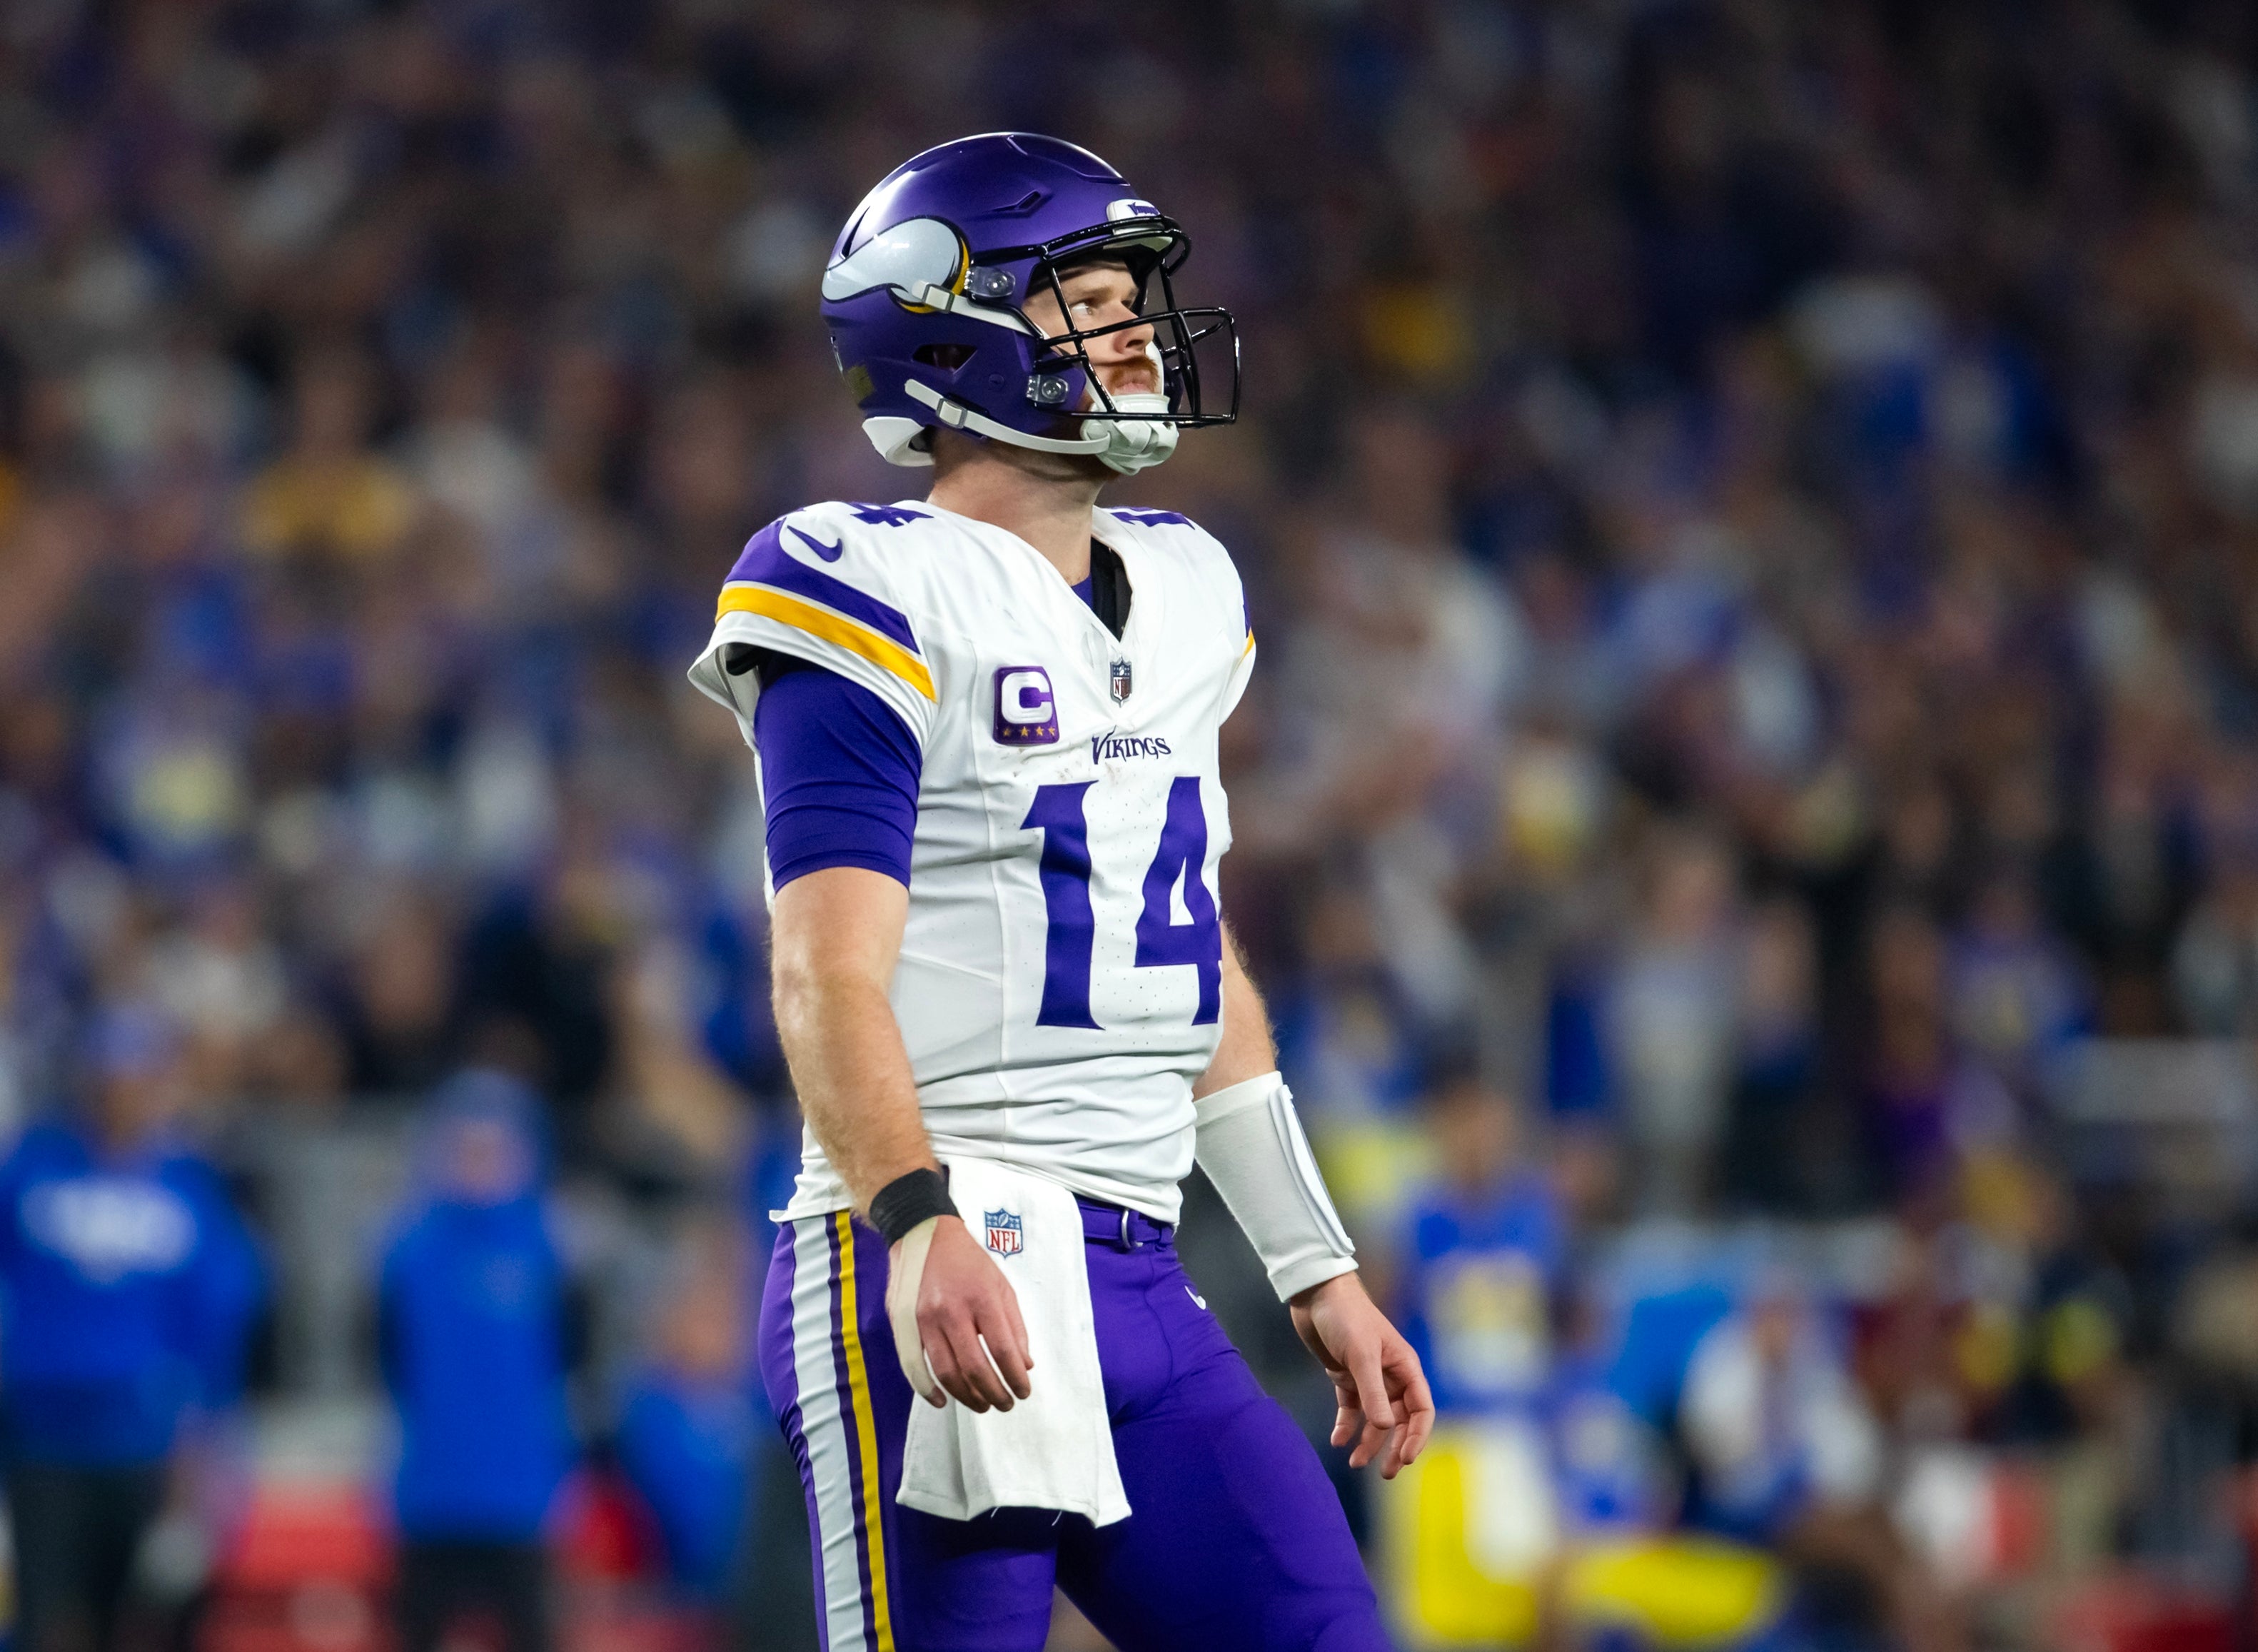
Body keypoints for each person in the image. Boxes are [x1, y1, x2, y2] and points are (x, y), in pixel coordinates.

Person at [687, 133, 1433, 1652]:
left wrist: (1315, 1262)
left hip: (1143, 1270)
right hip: (943, 1253)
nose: (1133, 335)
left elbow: (1189, 961)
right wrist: (915, 1222)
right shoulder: (864, 576)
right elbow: (823, 970)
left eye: (1131, 300)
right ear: (948, 328)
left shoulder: (1188, 588)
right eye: (1086, 301)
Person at [0, 1003, 266, 1652]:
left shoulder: (188, 1185)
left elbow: (215, 1326)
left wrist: (205, 1460)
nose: (122, 1093)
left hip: (146, 1447)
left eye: (136, 1077)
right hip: (42, 1441)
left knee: (150, 1621)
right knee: (46, 1620)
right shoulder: (33, 1168)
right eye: (109, 1076)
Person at [376, 1070, 582, 1652]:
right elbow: (389, 1359)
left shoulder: (551, 1252)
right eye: (465, 1148)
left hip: (520, 1496)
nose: (478, 1163)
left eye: (493, 1149)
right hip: (430, 1495)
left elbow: (570, 1359)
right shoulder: (407, 1253)